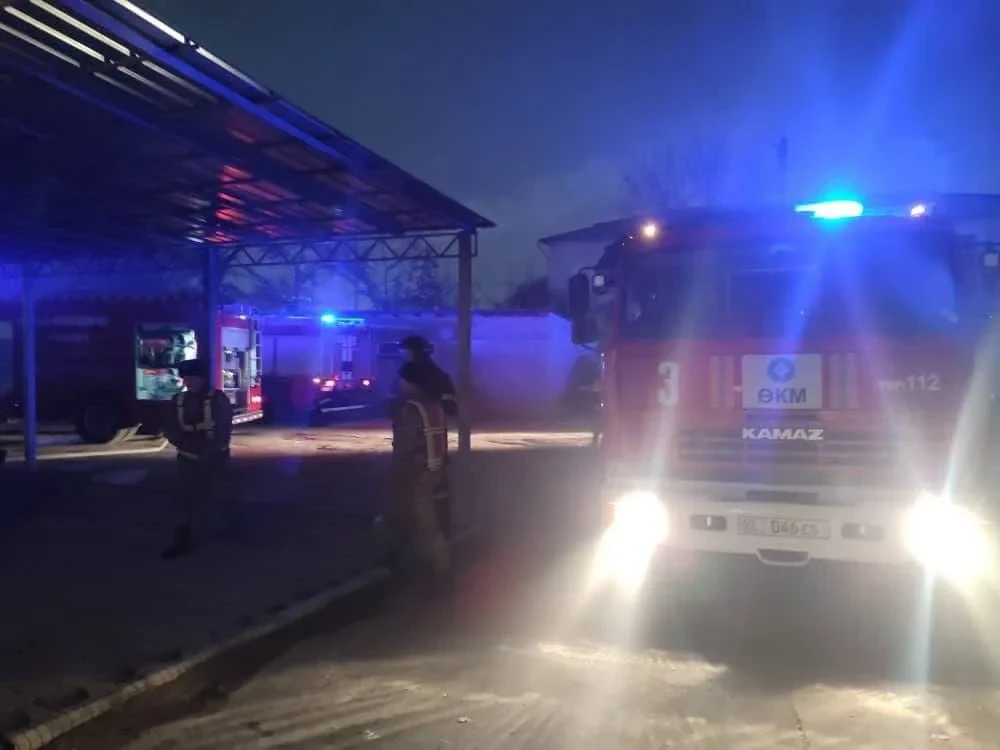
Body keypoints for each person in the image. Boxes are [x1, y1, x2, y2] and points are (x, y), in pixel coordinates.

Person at [383, 361, 452, 594]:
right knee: (421, 521)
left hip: (415, 474)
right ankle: (421, 568)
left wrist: (397, 475)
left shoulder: (410, 411)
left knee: (422, 524)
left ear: (411, 383)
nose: (400, 384)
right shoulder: (434, 408)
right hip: (434, 471)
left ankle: (439, 576)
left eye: (403, 380)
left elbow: (404, 448)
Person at [161, 358, 235, 560]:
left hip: (214, 458)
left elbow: (224, 429)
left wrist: (207, 451)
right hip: (187, 458)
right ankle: (184, 538)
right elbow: (170, 428)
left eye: (194, 378)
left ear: (203, 379)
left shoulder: (218, 400)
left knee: (212, 495)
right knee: (186, 500)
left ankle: (222, 530)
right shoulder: (178, 401)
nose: (190, 382)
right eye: (186, 378)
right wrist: (185, 446)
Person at [399, 335, 457, 536]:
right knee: (439, 493)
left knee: (419, 502)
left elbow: (405, 446)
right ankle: (444, 530)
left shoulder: (413, 409)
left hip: (421, 462)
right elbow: (451, 407)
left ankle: (432, 544)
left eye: (405, 349)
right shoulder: (439, 377)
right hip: (437, 457)